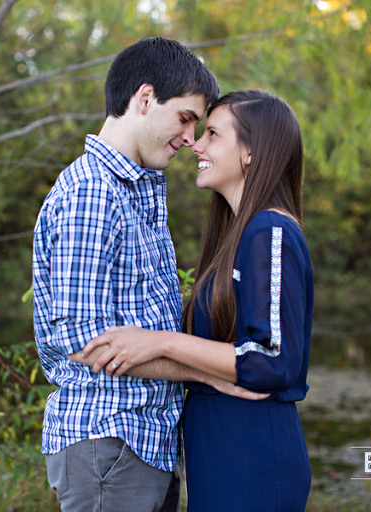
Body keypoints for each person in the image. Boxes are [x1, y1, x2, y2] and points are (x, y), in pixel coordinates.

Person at [78, 90, 314, 511]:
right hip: (219, 458)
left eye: (212, 134)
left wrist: (160, 342)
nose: (196, 144)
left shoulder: (270, 232)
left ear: (250, 153)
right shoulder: (236, 236)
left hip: (254, 460)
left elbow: (273, 360)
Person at [32, 37, 230, 512]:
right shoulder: (92, 194)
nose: (189, 137)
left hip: (142, 445)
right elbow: (87, 342)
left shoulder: (133, 194)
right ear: (144, 99)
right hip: (109, 443)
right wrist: (213, 373)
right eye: (185, 118)